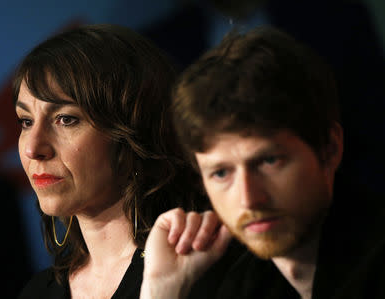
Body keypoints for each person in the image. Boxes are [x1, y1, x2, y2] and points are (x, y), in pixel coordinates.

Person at [141, 26, 385, 299]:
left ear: (329, 150)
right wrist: (161, 289)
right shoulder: (235, 284)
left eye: (269, 161)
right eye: (221, 173)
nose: (249, 199)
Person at [13, 24, 209, 299]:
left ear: (132, 133)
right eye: (26, 121)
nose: (33, 148)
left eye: (66, 119)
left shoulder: (205, 274)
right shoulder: (38, 292)